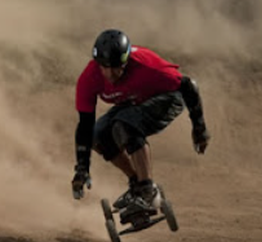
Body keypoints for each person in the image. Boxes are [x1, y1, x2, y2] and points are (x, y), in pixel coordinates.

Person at [71, 29, 211, 216]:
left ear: (126, 61)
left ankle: (148, 191)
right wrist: (82, 168)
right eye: (105, 67)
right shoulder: (89, 78)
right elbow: (85, 126)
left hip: (168, 97)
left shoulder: (147, 67)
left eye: (116, 66)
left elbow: (188, 86)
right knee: (98, 135)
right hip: (134, 100)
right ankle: (137, 184)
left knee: (124, 125)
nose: (111, 73)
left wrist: (199, 128)